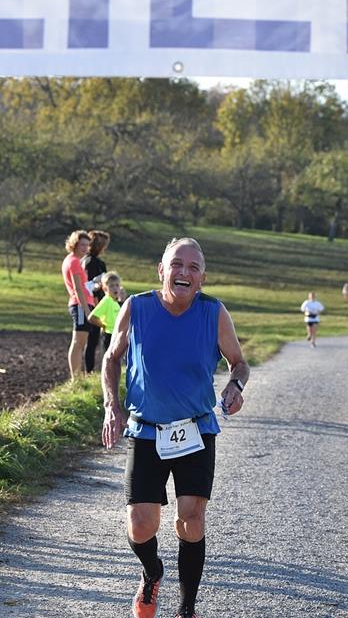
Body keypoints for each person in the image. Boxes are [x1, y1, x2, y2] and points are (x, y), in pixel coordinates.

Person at [101, 238, 248, 618]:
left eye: (193, 267)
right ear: (161, 269)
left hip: (196, 430)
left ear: (202, 277)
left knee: (191, 519)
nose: (184, 272)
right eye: (176, 265)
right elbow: (111, 358)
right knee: (140, 524)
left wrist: (236, 385)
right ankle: (152, 572)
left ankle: (186, 608)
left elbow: (238, 362)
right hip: (146, 429)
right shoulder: (136, 308)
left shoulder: (213, 312)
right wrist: (111, 406)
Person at [62, 230, 95, 380]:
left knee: (81, 342)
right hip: (80, 305)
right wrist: (87, 310)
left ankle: (78, 376)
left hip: (82, 303)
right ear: (74, 244)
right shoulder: (74, 261)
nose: (85, 248)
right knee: (78, 342)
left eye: (87, 245)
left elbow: (83, 286)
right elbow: (77, 288)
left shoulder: (75, 261)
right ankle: (75, 378)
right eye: (82, 245)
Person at [82, 230, 112, 373]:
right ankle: (89, 372)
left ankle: (89, 371)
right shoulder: (94, 263)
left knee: (91, 341)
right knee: (92, 340)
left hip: (92, 304)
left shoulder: (84, 260)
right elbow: (91, 287)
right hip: (95, 304)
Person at [90, 272, 127, 360]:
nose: (115, 288)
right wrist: (103, 325)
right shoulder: (106, 301)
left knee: (117, 359)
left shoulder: (115, 301)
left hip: (116, 334)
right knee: (109, 359)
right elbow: (92, 317)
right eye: (111, 286)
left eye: (117, 285)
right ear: (105, 289)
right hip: (108, 335)